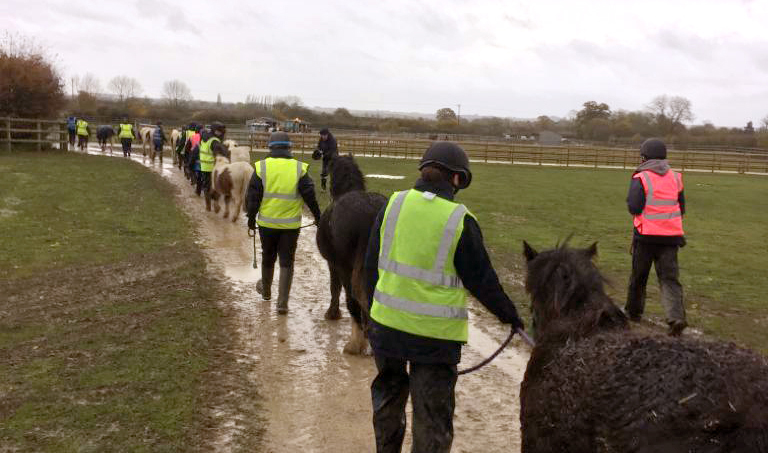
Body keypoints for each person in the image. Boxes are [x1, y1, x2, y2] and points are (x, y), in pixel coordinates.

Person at [364, 141, 525, 452]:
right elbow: (482, 281)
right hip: (434, 340)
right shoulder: (459, 220)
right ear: (456, 179)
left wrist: (375, 311)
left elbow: (371, 265)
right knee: (432, 419)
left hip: (386, 328)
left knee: (387, 401)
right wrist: (510, 315)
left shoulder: (393, 204)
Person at [246, 131, 322, 315]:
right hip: (290, 226)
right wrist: (318, 217)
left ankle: (266, 293)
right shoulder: (299, 169)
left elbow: (253, 198)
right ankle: (282, 303)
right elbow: (310, 196)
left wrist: (250, 219)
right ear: (289, 148)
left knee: (268, 257)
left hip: (266, 224)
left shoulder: (261, 167)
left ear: (270, 147)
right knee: (287, 261)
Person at [625, 138, 687, 337]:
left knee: (639, 277)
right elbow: (681, 207)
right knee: (669, 279)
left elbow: (634, 206)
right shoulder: (676, 177)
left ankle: (633, 312)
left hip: (645, 237)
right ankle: (676, 317)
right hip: (671, 238)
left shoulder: (641, 177)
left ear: (644, 157)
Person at [198, 122, 228, 209]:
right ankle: (215, 203)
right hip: (213, 167)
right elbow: (222, 152)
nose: (221, 133)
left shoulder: (204, 138)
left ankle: (208, 205)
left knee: (207, 186)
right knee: (217, 186)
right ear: (215, 131)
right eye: (219, 131)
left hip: (204, 166)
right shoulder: (214, 141)